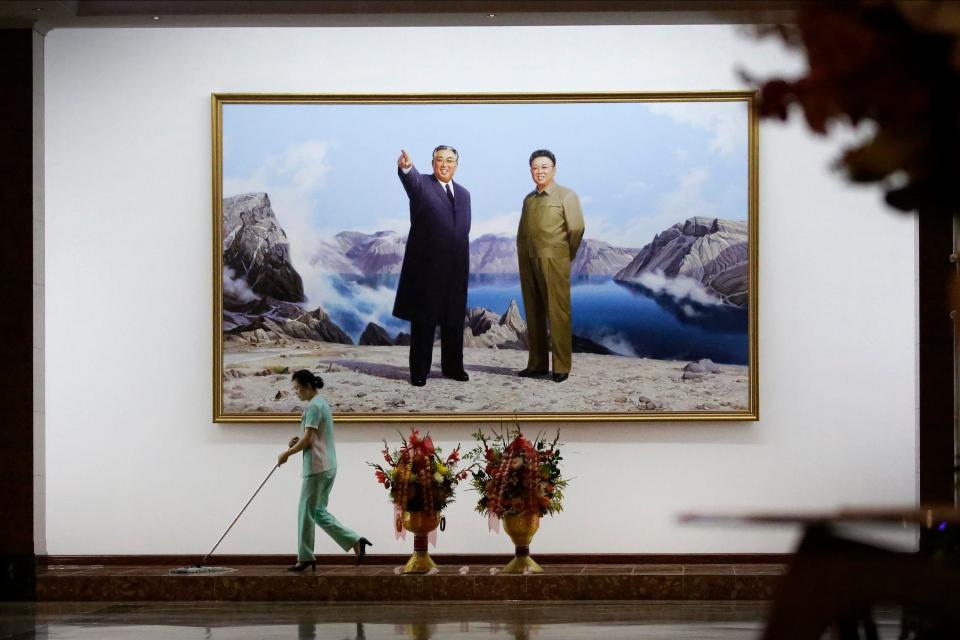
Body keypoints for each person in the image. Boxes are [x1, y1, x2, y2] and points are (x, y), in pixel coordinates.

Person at [278, 369, 372, 571]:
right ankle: (356, 541)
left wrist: (287, 454)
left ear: (308, 386)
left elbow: (309, 439)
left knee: (305, 512)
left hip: (317, 466)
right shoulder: (321, 404)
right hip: (328, 465)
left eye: (297, 388)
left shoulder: (313, 407)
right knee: (317, 512)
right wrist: (298, 441)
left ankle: (305, 557)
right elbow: (311, 436)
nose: (296, 392)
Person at [393, 146, 472, 387]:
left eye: (450, 160)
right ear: (432, 163)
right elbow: (411, 180)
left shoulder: (464, 194)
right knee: (424, 322)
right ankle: (419, 371)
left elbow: (462, 229)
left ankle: (453, 367)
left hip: (456, 268)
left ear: (456, 165)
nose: (444, 164)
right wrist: (406, 168)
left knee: (454, 321)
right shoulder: (422, 186)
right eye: (440, 160)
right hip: (426, 270)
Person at [516, 149, 585, 383]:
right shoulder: (529, 199)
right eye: (535, 167)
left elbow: (576, 229)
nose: (539, 171)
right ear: (530, 171)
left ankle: (561, 366)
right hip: (529, 260)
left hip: (554, 259)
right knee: (533, 312)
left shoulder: (566, 196)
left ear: (554, 169)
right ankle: (536, 364)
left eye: (544, 167)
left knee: (558, 313)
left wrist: (564, 254)